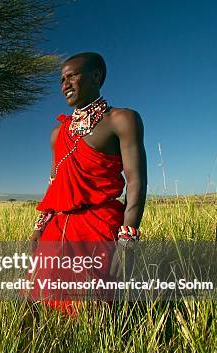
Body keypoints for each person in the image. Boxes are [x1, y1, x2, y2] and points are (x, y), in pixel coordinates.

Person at [27, 52, 147, 316]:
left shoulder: (122, 120)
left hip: (100, 224)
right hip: (57, 227)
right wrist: (39, 228)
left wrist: (127, 239)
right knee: (39, 297)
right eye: (61, 80)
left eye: (72, 76)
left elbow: (136, 181)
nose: (65, 85)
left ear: (96, 76)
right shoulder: (58, 133)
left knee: (94, 304)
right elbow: (54, 182)